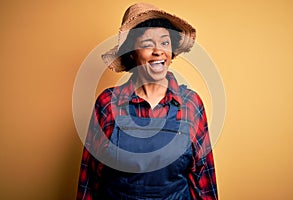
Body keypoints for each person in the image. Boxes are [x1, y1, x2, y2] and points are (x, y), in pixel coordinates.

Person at [77, 3, 218, 200]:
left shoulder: (190, 104)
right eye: (147, 44)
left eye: (165, 43)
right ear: (132, 52)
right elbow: (90, 180)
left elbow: (204, 179)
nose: (158, 51)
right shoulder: (108, 104)